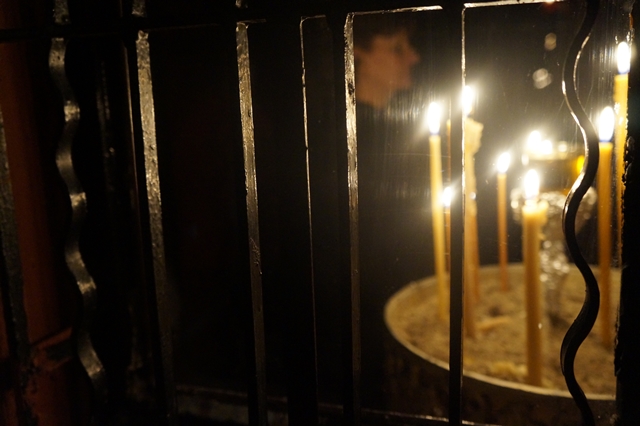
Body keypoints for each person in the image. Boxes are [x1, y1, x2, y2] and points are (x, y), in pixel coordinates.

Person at [352, 13, 434, 408]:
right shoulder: (358, 145)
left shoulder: (391, 131)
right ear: (356, 53)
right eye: (397, 47)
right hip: (371, 325)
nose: (413, 57)